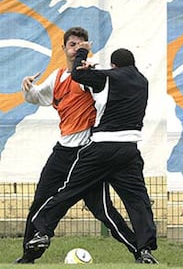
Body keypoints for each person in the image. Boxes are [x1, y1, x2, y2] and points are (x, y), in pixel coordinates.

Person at [26, 43, 159, 264]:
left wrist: (82, 55)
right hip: (129, 151)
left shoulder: (107, 77)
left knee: (69, 190)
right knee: (137, 200)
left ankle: (42, 230)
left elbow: (77, 74)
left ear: (114, 65)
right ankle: (145, 248)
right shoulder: (143, 82)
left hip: (100, 148)